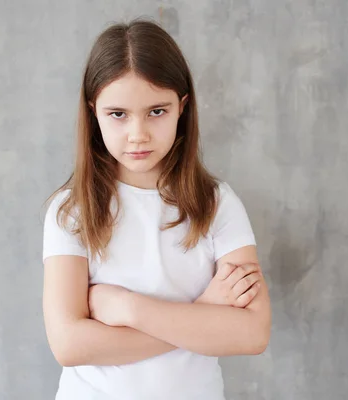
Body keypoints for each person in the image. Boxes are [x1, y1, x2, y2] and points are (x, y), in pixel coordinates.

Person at [42, 19, 271, 400]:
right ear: (93, 112)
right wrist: (201, 314)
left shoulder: (217, 205)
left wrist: (126, 308)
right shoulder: (72, 211)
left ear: (182, 107)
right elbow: (69, 345)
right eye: (118, 114)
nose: (138, 134)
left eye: (156, 112)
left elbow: (252, 333)